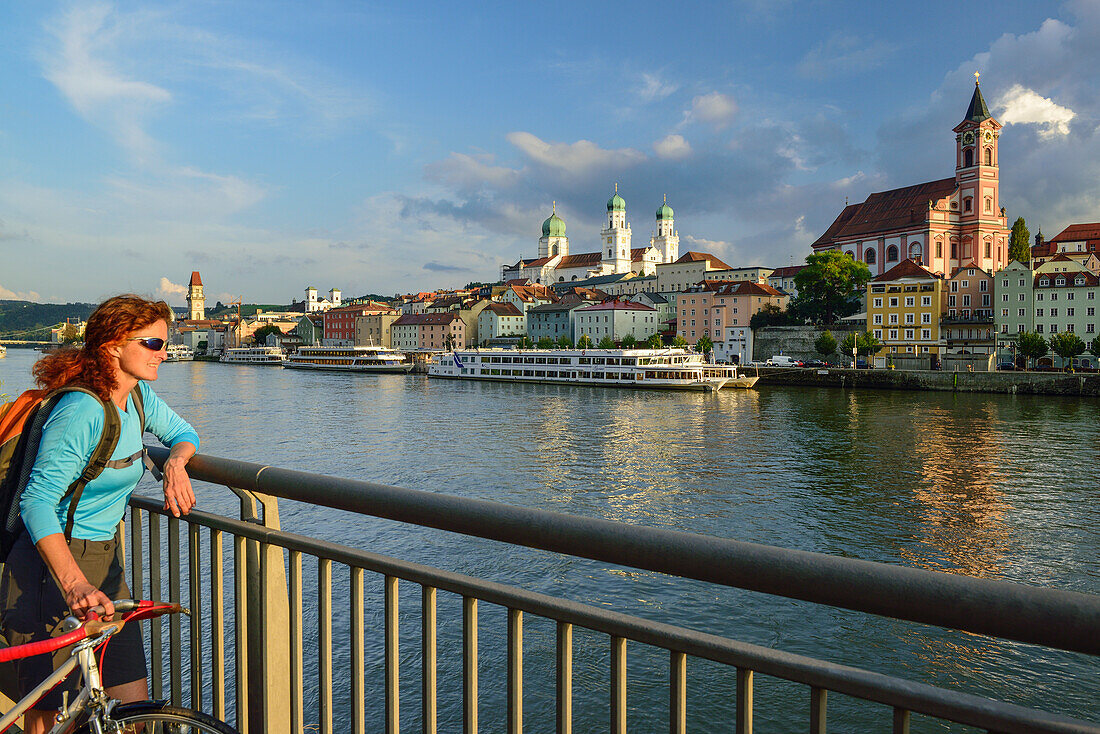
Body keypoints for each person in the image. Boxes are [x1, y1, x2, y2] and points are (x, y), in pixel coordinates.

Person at [0, 295, 199, 733]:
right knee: (53, 719)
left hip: (107, 565)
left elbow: (184, 433)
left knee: (133, 711)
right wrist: (72, 583)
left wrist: (175, 464)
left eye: (165, 343)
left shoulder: (139, 396)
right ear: (112, 345)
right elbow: (37, 502)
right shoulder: (82, 410)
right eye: (152, 343)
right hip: (51, 568)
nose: (164, 353)